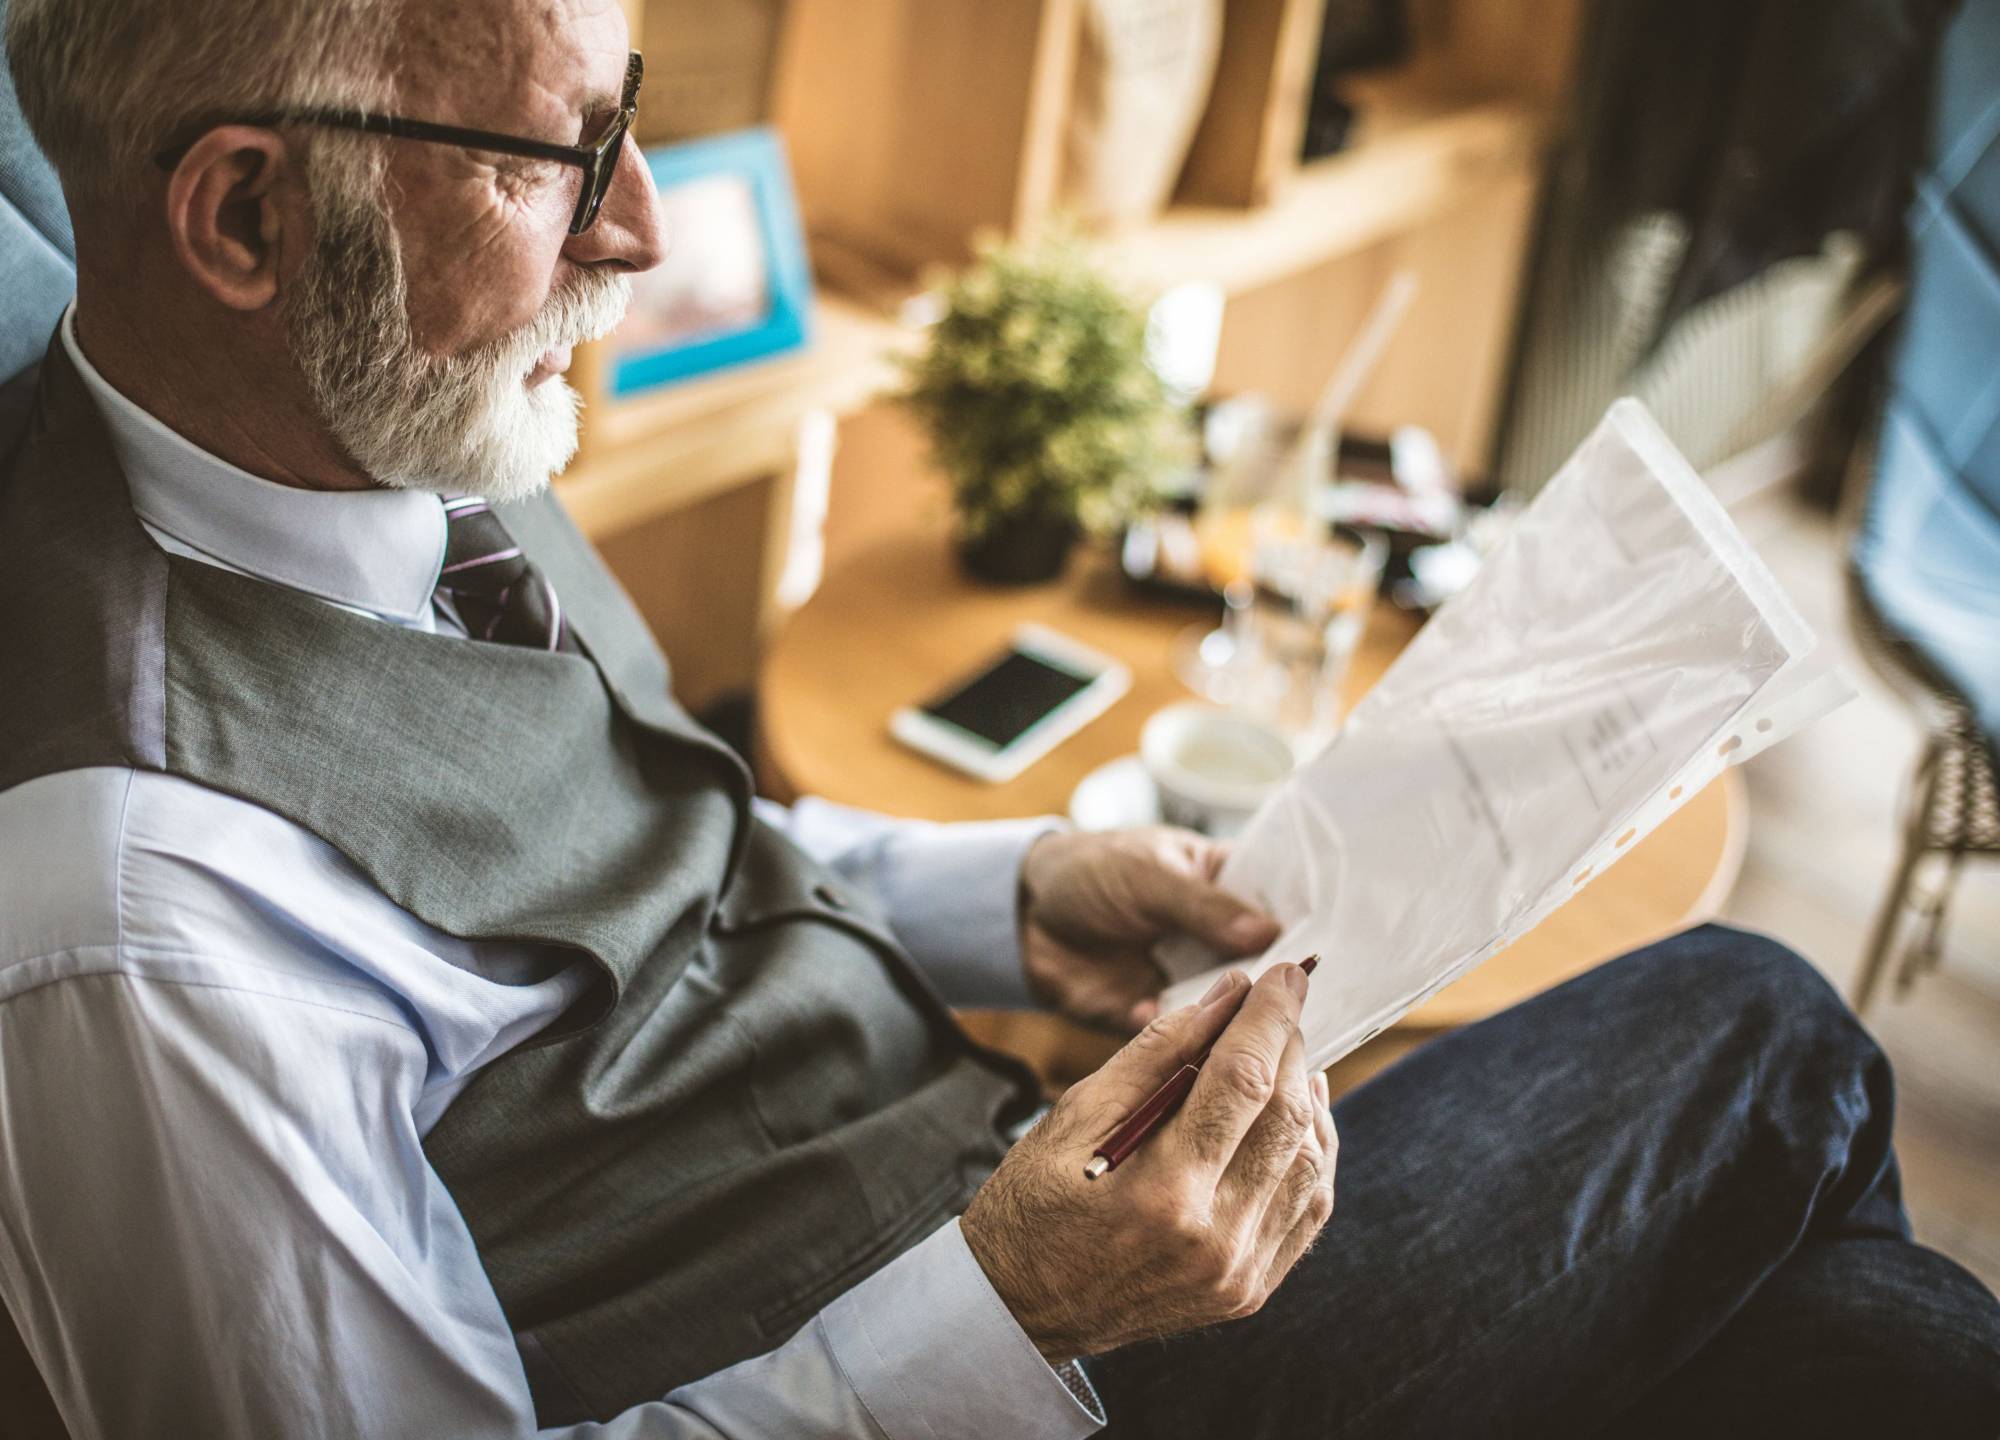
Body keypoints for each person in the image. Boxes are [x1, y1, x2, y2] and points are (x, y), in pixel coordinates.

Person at [0, 0, 1995, 1435]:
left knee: (1891, 1352)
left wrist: (1012, 891)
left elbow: (616, 860)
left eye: (630, 120)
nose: (644, 237)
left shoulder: (377, 406)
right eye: (553, 165)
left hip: (985, 1202)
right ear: (247, 222)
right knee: (1753, 1025)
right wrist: (1010, 1307)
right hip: (996, 1366)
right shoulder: (147, 921)